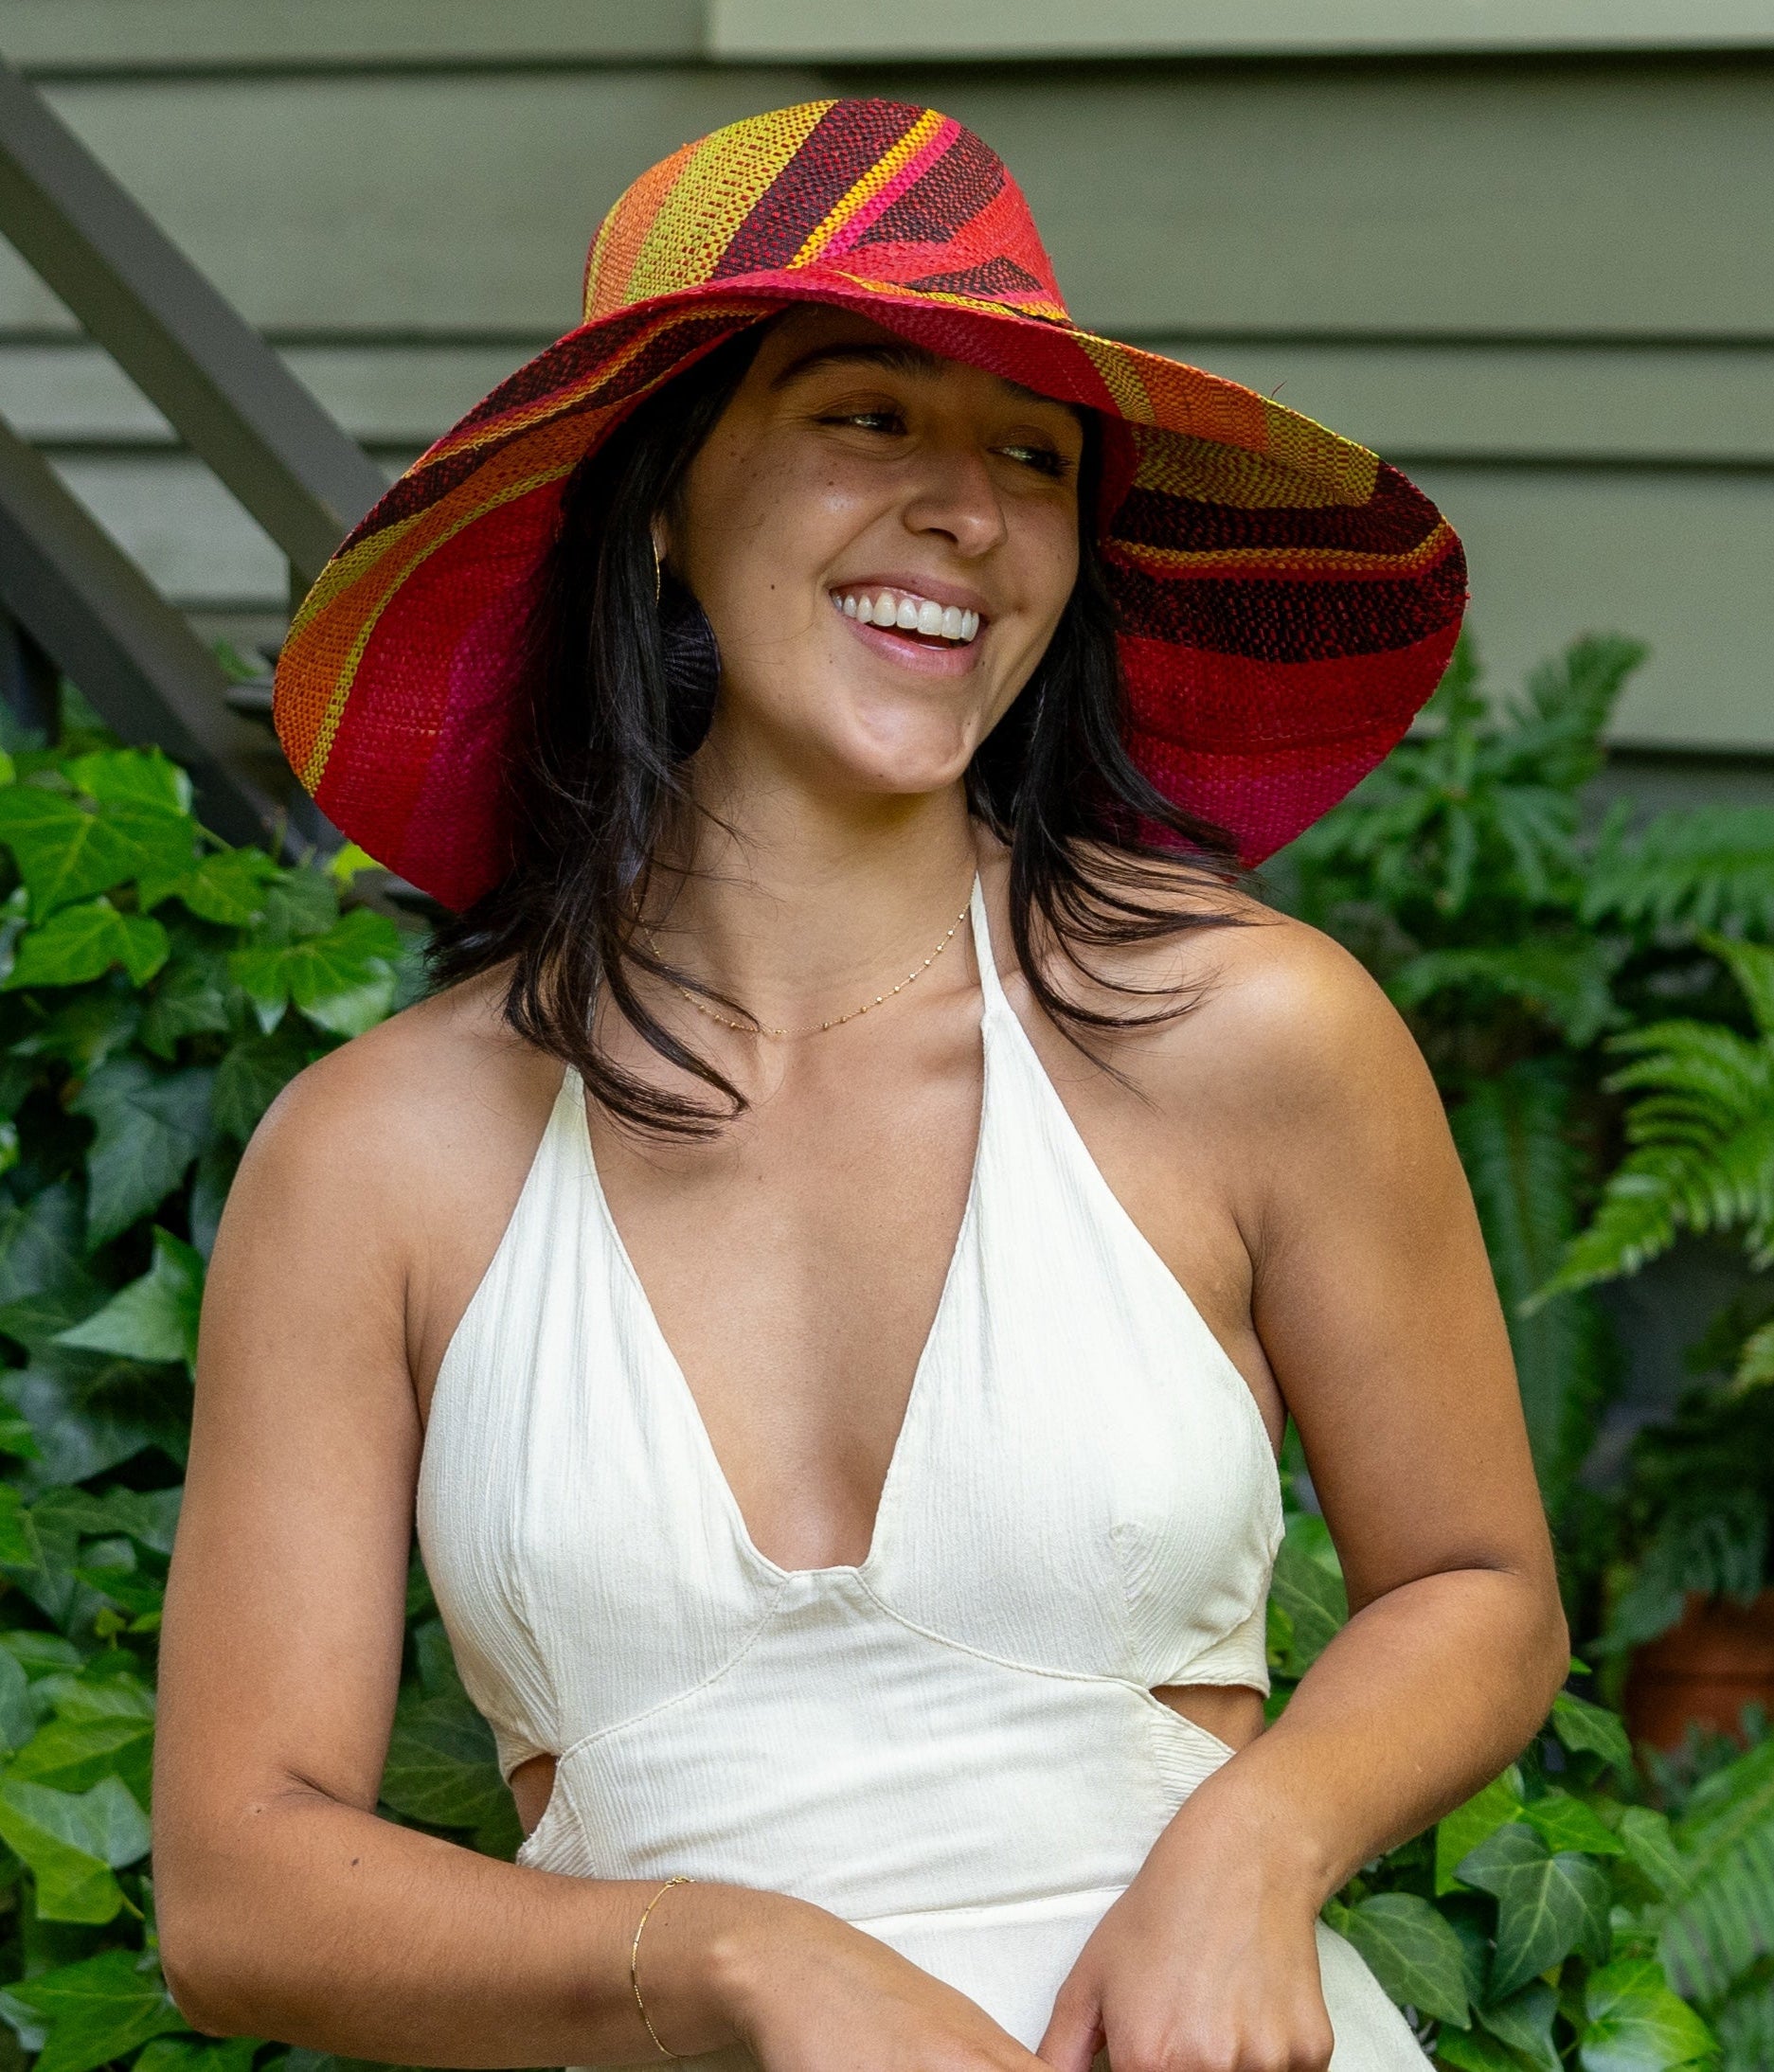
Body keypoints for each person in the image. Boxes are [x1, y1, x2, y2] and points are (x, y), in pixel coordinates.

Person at [154, 99, 1567, 2072]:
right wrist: (742, 1961)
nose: (968, 514)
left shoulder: (1249, 1039)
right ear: (659, 493)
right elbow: (237, 1892)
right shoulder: (384, 1154)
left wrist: (1252, 1851)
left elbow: (1480, 1586)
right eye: (866, 418)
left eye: (1031, 456)